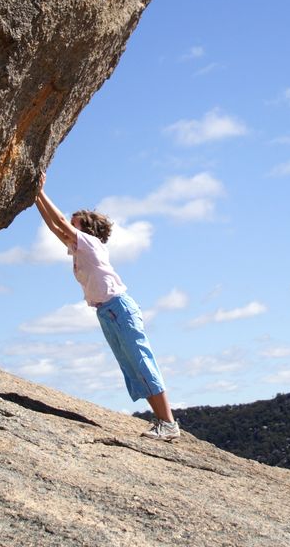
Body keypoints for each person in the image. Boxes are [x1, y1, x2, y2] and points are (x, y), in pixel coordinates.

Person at [34, 174, 180, 442]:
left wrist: (40, 192)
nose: (69, 229)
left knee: (141, 361)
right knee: (133, 367)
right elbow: (56, 229)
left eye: (76, 224)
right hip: (107, 312)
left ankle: (168, 423)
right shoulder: (80, 249)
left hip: (118, 308)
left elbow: (61, 224)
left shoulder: (90, 244)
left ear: (86, 229)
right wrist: (34, 198)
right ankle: (162, 420)